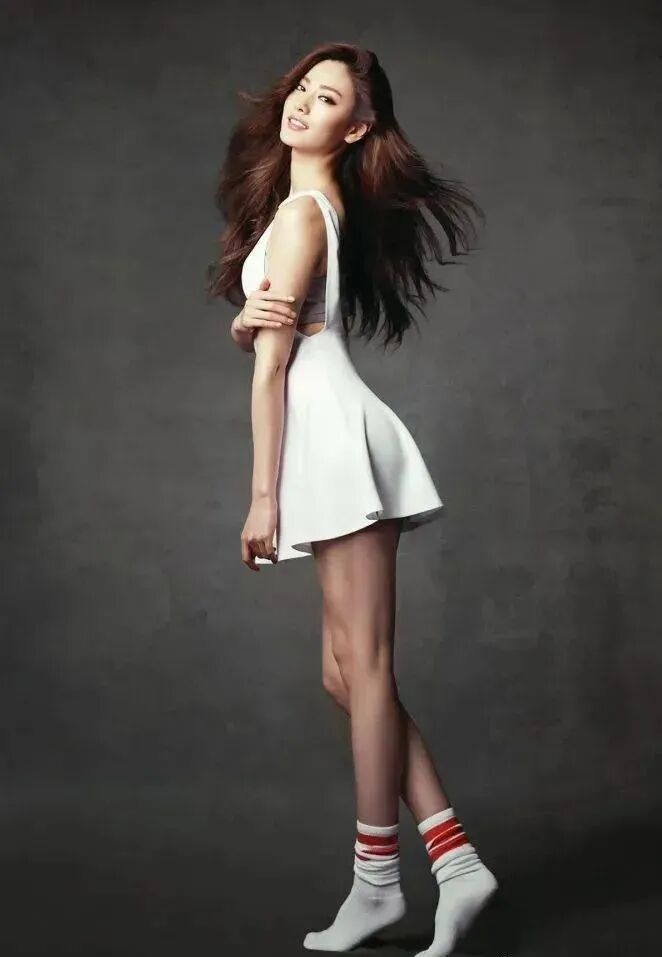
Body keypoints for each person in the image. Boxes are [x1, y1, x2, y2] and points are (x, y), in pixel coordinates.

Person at [207, 42, 498, 957]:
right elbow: (283, 332)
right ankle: (456, 863)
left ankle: (378, 882)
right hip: (324, 440)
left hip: (331, 442)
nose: (302, 103)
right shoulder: (298, 210)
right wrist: (245, 320)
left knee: (364, 669)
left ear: (357, 126)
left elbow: (275, 374)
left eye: (327, 98)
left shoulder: (304, 212)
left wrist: (262, 498)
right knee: (345, 675)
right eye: (302, 87)